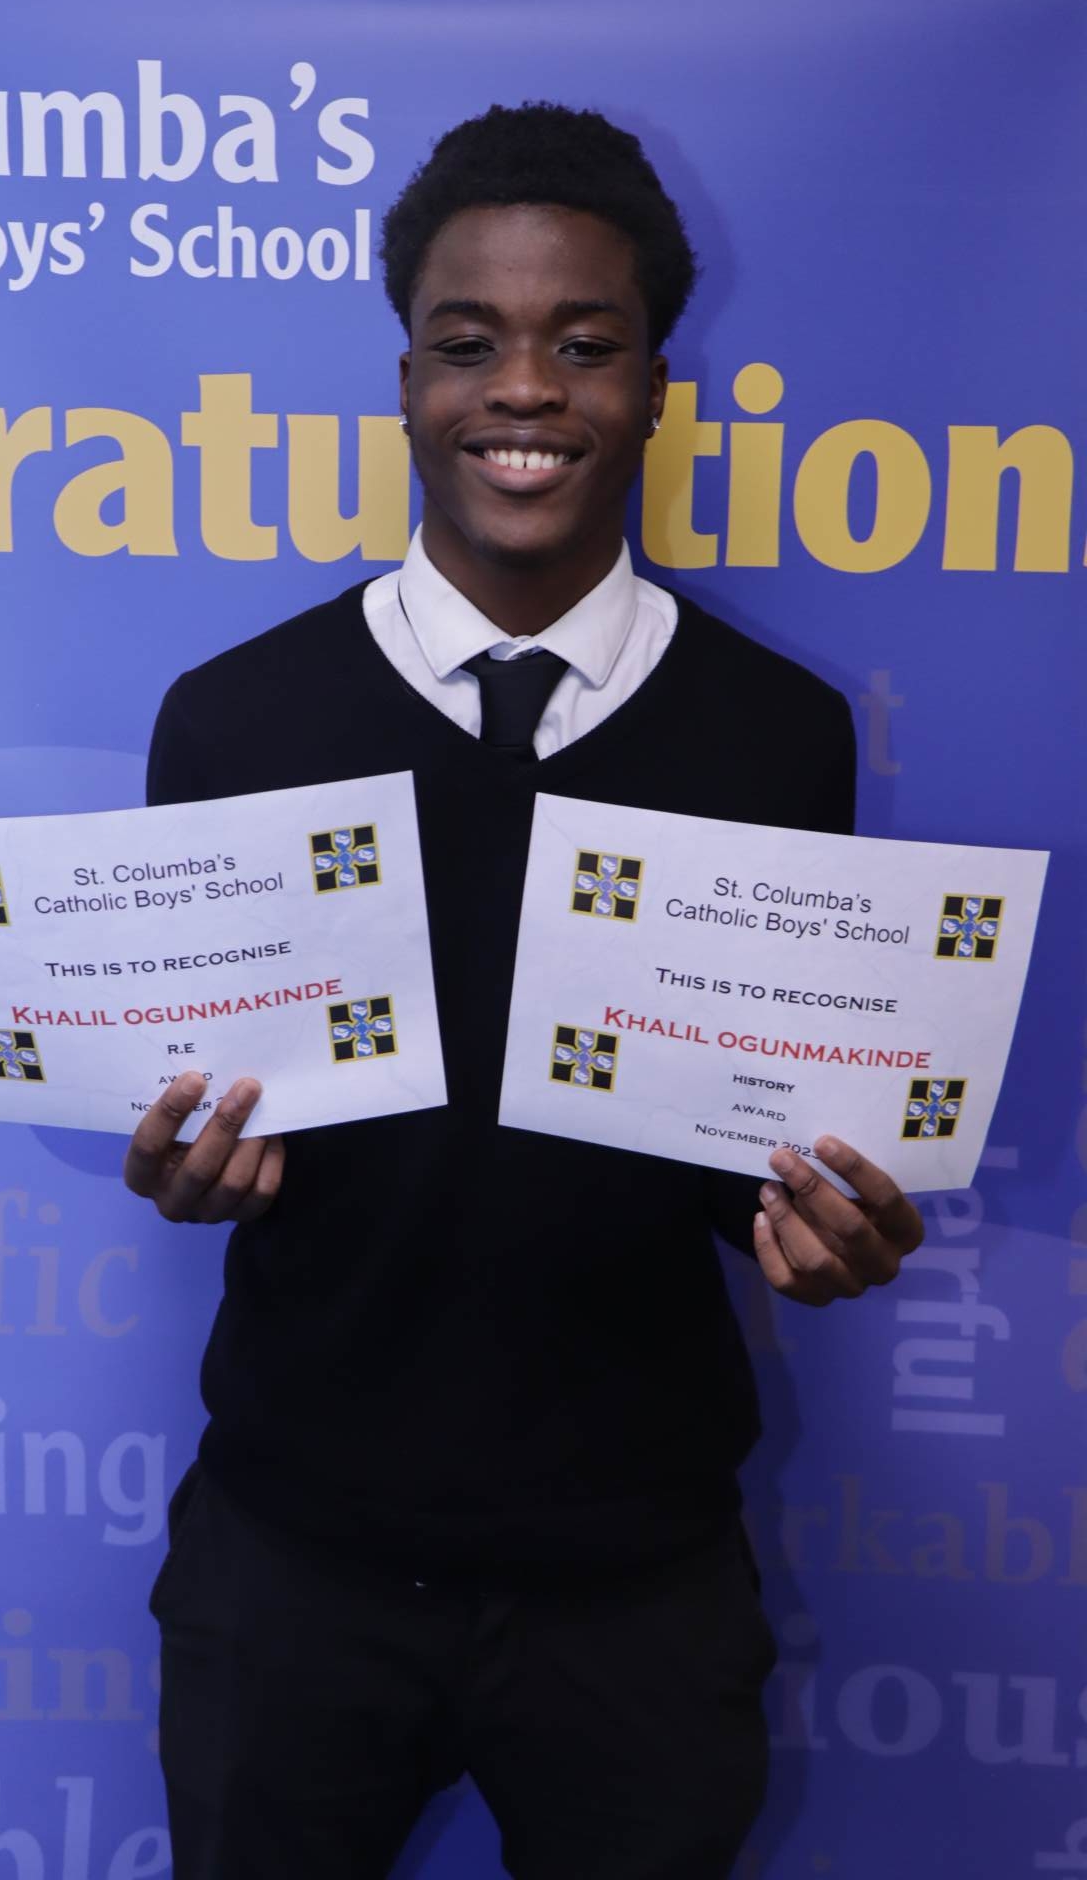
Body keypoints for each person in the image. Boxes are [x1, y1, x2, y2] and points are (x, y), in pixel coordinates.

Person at [125, 103, 924, 1880]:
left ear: (655, 388)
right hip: (295, 1568)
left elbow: (744, 1139)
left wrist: (811, 1221)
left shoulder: (778, 734)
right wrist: (187, 1165)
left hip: (636, 1586)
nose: (525, 393)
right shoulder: (236, 719)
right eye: (469, 343)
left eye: (586, 344)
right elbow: (218, 1106)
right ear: (406, 381)